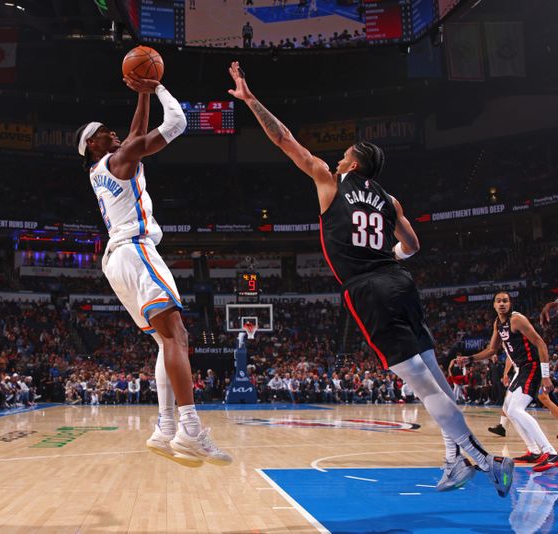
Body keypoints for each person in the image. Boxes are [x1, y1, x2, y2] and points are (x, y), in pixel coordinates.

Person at [228, 60, 513, 496]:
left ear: (354, 162)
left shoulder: (328, 179)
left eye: (345, 154)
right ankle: (454, 460)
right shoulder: (391, 199)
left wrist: (250, 100)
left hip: (367, 289)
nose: (339, 157)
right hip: (400, 281)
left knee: (421, 386)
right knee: (436, 379)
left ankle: (485, 460)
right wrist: (389, 257)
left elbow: (283, 138)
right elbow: (413, 246)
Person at [75, 73, 230, 467]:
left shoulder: (104, 169)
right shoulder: (118, 159)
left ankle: (165, 428)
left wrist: (142, 96)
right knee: (178, 336)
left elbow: (137, 131)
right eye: (104, 133)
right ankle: (190, 428)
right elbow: (177, 122)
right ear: (92, 145)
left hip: (117, 259)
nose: (114, 134)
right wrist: (157, 87)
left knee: (166, 342)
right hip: (136, 251)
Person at [458, 292, 558, 472]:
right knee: (508, 410)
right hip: (521, 369)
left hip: (532, 367)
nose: (502, 304)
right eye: (499, 301)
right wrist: (470, 359)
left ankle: (550, 452)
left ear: (510, 304)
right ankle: (534, 451)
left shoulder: (517, 319)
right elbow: (491, 350)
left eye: (505, 301)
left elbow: (541, 343)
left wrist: (545, 375)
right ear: (494, 305)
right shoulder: (498, 324)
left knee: (516, 410)